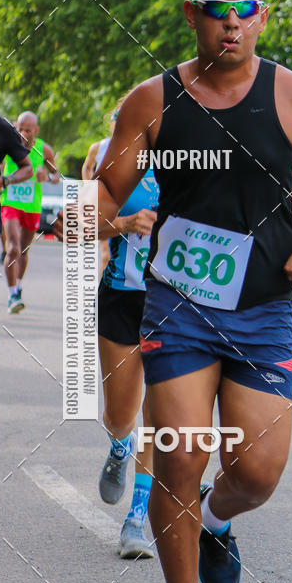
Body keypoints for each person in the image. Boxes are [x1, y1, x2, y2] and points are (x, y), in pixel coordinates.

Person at [89, 0, 292, 583]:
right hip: (178, 304)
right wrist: (108, 223)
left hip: (262, 307)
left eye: (244, 11)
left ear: (262, 18)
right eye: (214, 10)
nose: (230, 23)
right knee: (178, 458)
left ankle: (219, 519)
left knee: (257, 471)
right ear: (191, 15)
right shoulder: (153, 100)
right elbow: (110, 190)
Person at [96, 166, 159, 558]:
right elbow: (75, 225)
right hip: (122, 298)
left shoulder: (203, 162)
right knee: (120, 416)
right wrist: (126, 222)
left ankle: (135, 521)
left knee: (160, 415)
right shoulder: (119, 164)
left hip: (174, 304)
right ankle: (121, 446)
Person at [0, 111, 59, 312]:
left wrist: (47, 177)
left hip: (32, 207)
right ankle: (12, 294)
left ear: (36, 130)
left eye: (28, 130)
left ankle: (18, 285)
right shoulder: (8, 144)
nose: (23, 133)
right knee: (13, 248)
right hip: (10, 203)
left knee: (23, 250)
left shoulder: (44, 150)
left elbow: (56, 176)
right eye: (20, 129)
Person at [82, 107, 120, 276]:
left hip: (126, 205)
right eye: (117, 123)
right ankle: (100, 295)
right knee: (106, 254)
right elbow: (88, 167)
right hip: (104, 205)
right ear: (111, 124)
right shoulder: (99, 147)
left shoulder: (138, 148)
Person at [0, 113, 33, 261]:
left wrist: (4, 181)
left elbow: (28, 168)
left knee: (17, 248)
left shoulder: (0, 126)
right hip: (8, 206)